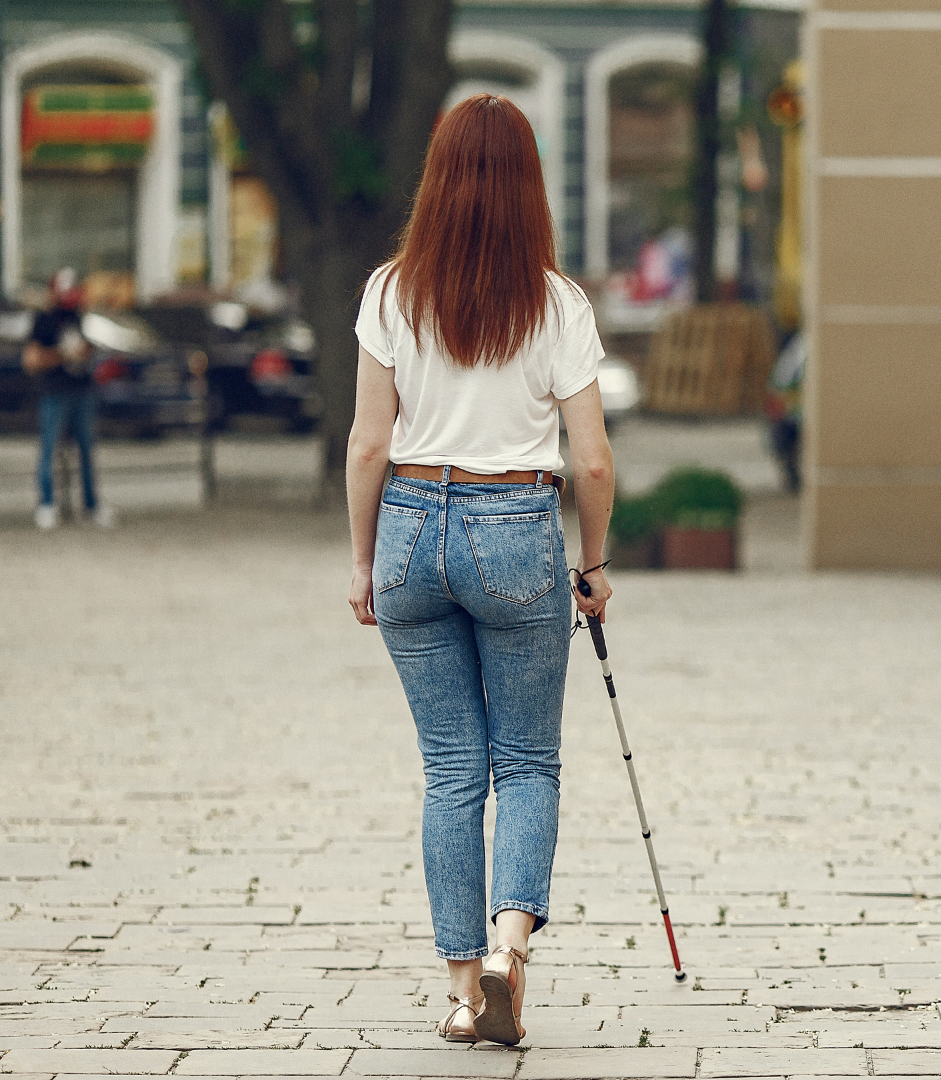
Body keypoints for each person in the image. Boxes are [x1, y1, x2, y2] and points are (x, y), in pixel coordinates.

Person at [343, 94, 615, 1047]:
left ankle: (462, 992)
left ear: (437, 178)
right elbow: (589, 460)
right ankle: (510, 949)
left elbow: (370, 444)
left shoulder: (389, 292)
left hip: (412, 527)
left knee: (451, 766)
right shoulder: (557, 302)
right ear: (530, 186)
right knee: (528, 760)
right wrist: (596, 562)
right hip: (514, 532)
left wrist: (363, 560)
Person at [23, 268, 113, 529]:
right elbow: (31, 360)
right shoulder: (44, 319)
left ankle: (91, 504)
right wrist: (64, 355)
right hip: (54, 392)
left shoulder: (82, 317)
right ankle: (47, 503)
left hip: (82, 391)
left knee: (86, 450)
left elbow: (96, 346)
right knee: (49, 449)